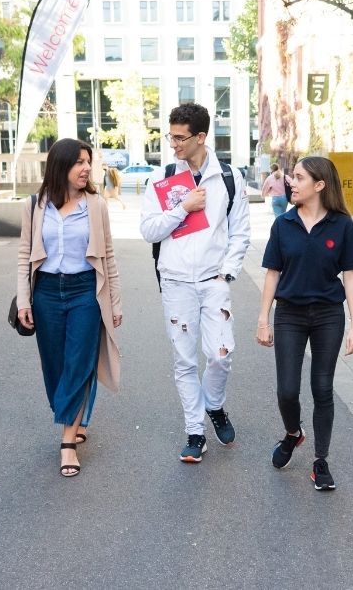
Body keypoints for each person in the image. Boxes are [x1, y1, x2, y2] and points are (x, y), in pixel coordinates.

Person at [140, 103, 251, 463]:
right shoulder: (162, 178)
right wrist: (182, 208)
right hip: (175, 282)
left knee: (221, 354)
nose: (173, 144)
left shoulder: (229, 177)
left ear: (200, 137)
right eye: (170, 136)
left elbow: (240, 231)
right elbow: (149, 230)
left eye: (180, 138)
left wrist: (227, 271)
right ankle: (195, 432)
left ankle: (214, 404)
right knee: (184, 360)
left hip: (213, 280)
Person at [255, 156, 353, 491]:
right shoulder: (283, 225)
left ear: (319, 185)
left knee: (322, 388)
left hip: (328, 315)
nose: (291, 182)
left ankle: (321, 461)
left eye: (299, 177)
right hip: (290, 314)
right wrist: (263, 318)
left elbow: (350, 276)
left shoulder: (342, 225)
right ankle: (293, 433)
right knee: (287, 391)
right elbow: (272, 273)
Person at [17, 138, 123, 477]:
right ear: (60, 165)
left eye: (88, 161)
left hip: (85, 292)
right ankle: (73, 415)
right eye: (79, 162)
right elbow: (24, 256)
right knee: (55, 366)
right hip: (46, 293)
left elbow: (108, 256)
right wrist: (24, 299)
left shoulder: (96, 205)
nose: (87, 168)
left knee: (79, 362)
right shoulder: (35, 205)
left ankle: (67, 442)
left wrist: (114, 302)